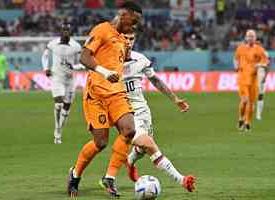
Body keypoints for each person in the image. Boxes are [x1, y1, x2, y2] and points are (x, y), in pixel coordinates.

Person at [99, 32, 196, 197]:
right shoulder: (110, 62)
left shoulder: (141, 59)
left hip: (144, 111)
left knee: (143, 149)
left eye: (131, 39)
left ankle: (127, 163)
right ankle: (182, 180)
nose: (128, 42)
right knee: (150, 145)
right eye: (125, 38)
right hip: (125, 114)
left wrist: (175, 99)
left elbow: (156, 80)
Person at [67, 2, 143, 198]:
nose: (134, 26)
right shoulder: (102, 29)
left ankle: (109, 178)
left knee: (129, 130)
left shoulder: (124, 39)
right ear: (123, 14)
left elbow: (120, 59)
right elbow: (84, 57)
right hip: (96, 95)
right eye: (133, 21)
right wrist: (103, 71)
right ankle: (75, 175)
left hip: (116, 93)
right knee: (100, 143)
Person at [41, 22, 82, 144]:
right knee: (58, 105)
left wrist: (74, 66)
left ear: (70, 32)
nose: (65, 32)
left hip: (70, 79)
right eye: (63, 30)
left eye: (67, 30)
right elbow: (45, 56)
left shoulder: (76, 46)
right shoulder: (52, 43)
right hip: (56, 78)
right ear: (60, 31)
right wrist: (45, 68)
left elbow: (83, 63)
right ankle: (57, 131)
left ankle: (59, 129)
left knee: (66, 108)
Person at [234, 30, 269, 132]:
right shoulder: (240, 48)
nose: (250, 38)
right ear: (245, 37)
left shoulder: (259, 50)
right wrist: (236, 66)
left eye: (252, 36)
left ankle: (248, 122)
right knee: (245, 100)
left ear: (255, 38)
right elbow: (235, 59)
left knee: (251, 103)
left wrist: (261, 65)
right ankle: (241, 118)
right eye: (249, 36)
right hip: (242, 78)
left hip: (253, 80)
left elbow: (265, 60)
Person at [256, 42, 270, 120]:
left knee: (260, 95)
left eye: (258, 45)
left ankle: (258, 114)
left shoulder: (265, 53)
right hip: (253, 75)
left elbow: (267, 66)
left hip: (261, 74)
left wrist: (265, 77)